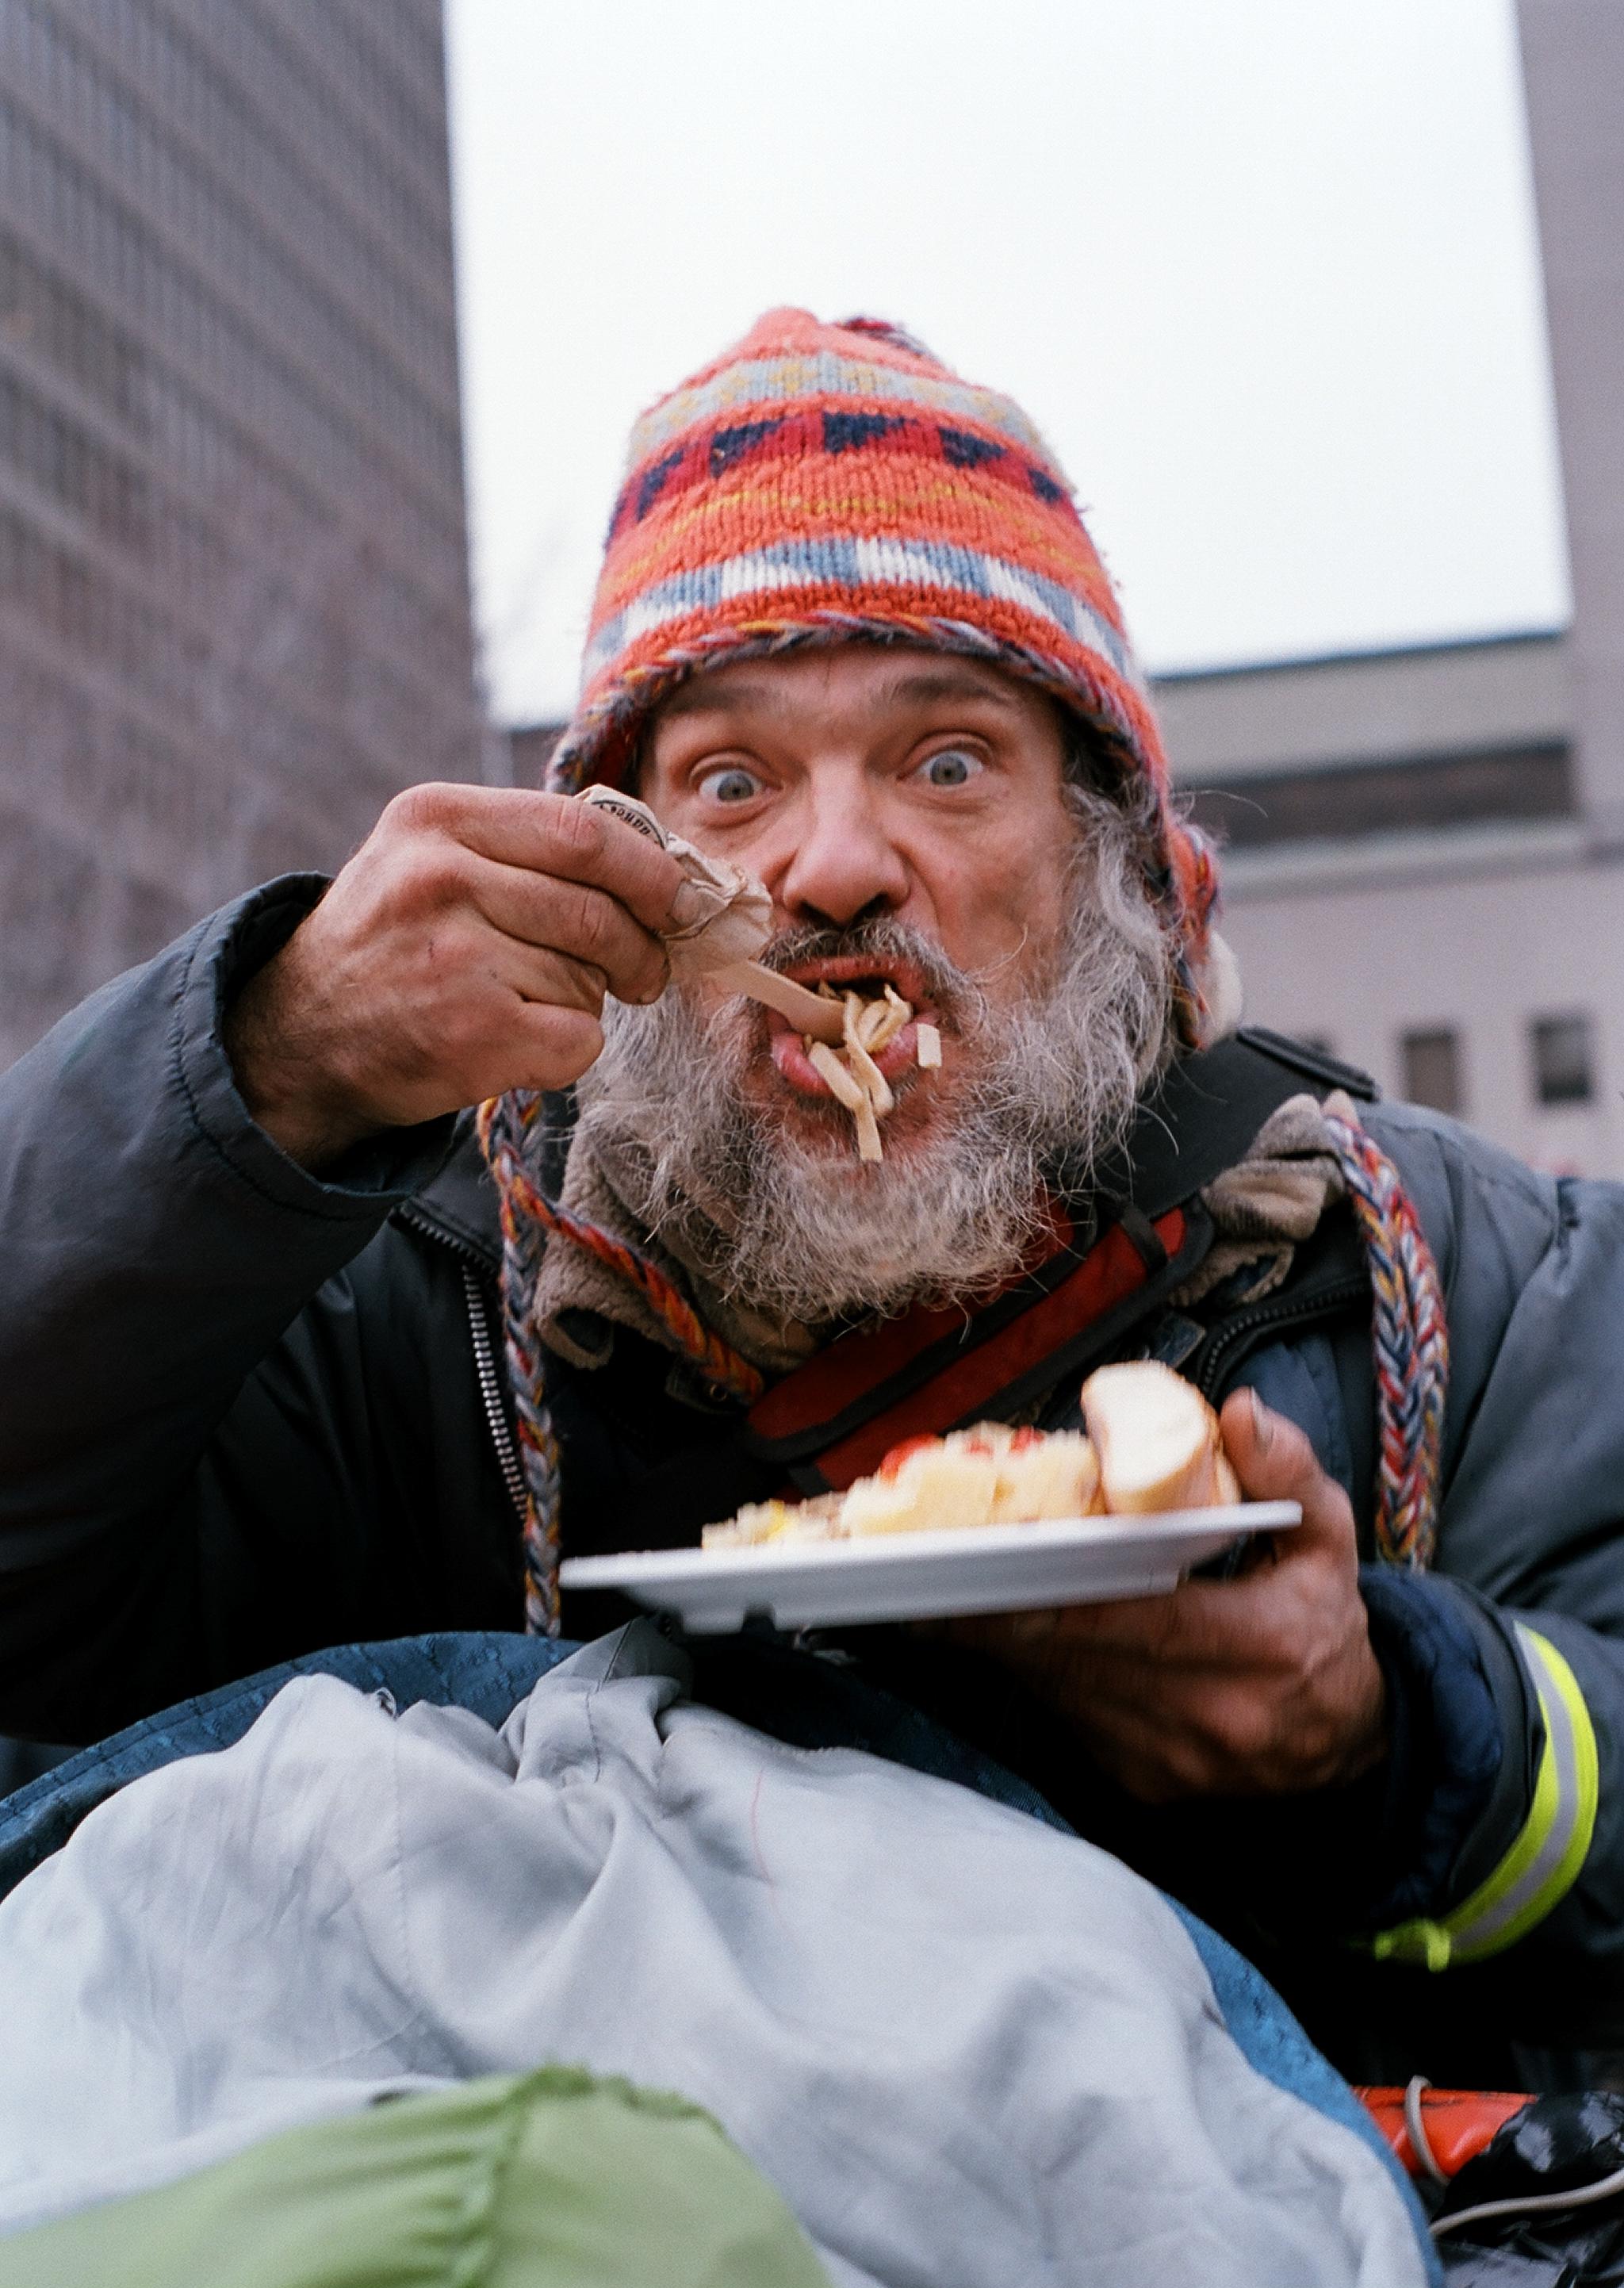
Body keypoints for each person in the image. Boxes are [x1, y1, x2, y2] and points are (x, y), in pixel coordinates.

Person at [2, 306, 1622, 2094]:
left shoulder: (1461, 1277)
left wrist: (1397, 1727)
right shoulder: (405, 1320)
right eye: (727, 781)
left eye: (947, 761)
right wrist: (268, 1067)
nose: (835, 869)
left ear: (1119, 867)